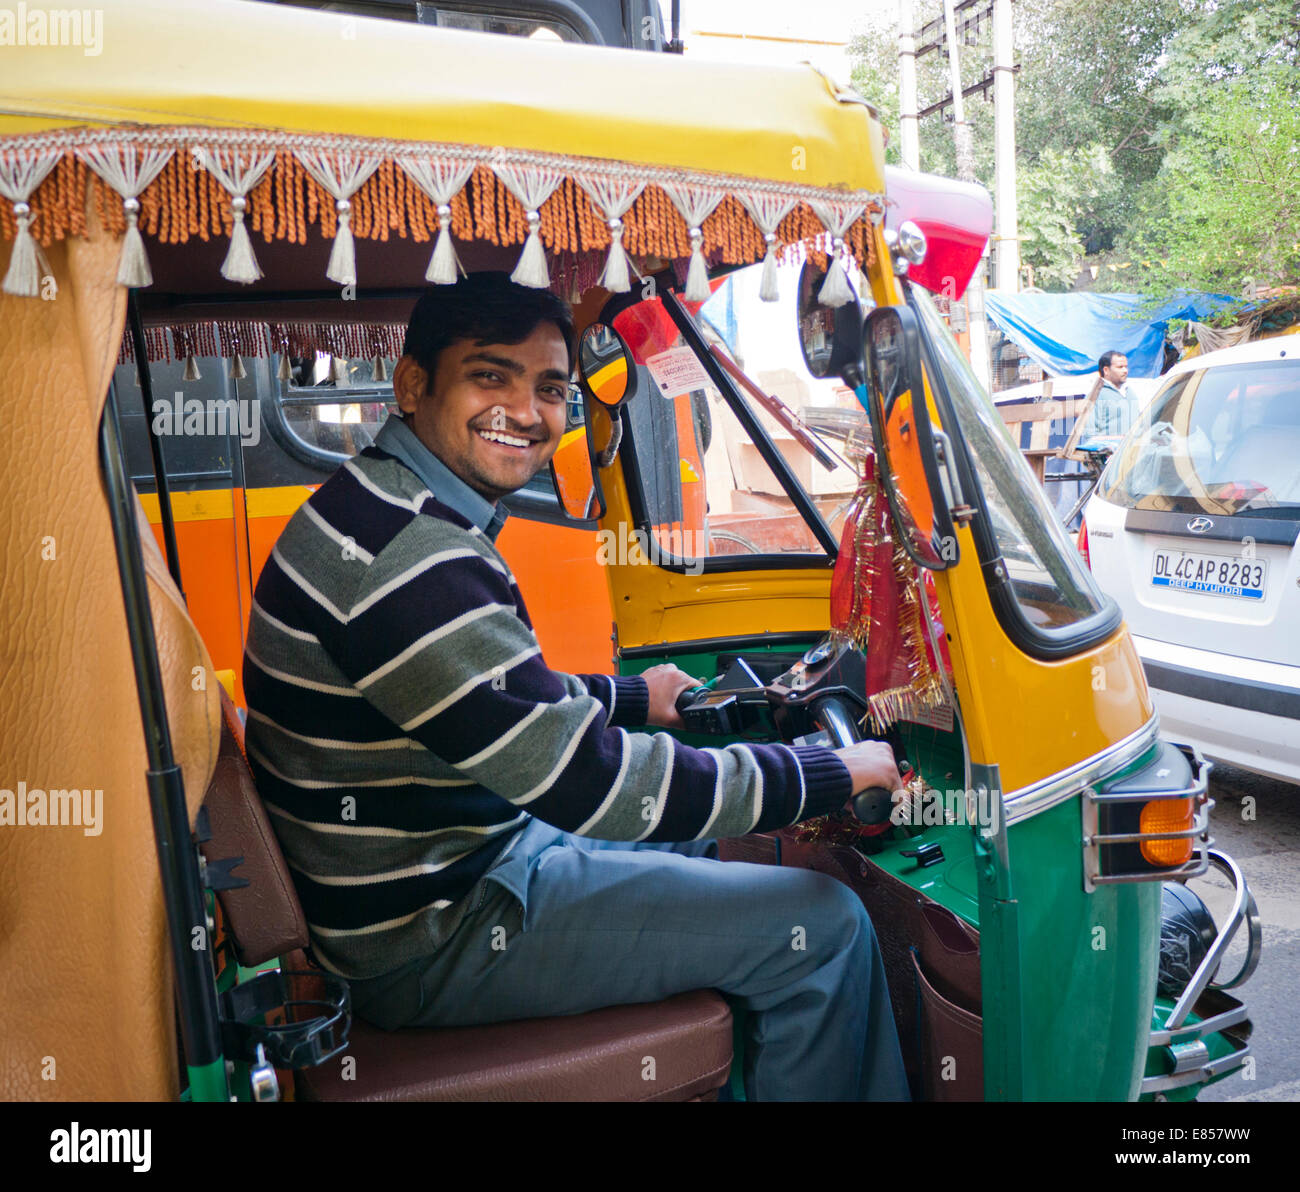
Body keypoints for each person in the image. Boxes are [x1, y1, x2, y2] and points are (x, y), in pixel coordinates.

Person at [243, 271, 909, 1101]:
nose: (526, 412)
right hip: (437, 935)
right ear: (414, 385)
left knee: (717, 842)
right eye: (491, 376)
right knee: (826, 926)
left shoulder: (379, 506)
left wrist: (635, 698)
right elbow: (591, 784)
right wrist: (828, 775)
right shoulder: (413, 555)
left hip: (451, 870)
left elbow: (492, 698)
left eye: (550, 388)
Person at [1086, 349, 1137, 439]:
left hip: (1131, 451)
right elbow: (1089, 433)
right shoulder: (1097, 395)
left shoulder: (1130, 393)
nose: (1125, 371)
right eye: (1120, 367)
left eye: (1126, 367)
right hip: (1107, 451)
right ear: (1106, 370)